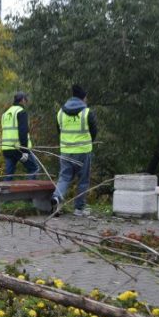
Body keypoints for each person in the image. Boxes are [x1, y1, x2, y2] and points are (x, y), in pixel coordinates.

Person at [51, 84, 98, 217]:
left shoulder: (60, 112)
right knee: (83, 180)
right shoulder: (87, 112)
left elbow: (59, 131)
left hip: (66, 151)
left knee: (64, 177)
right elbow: (94, 131)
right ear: (83, 98)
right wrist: (88, 141)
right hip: (83, 151)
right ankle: (79, 208)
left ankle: (56, 198)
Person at [0, 91, 38, 180]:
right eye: (25, 100)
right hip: (18, 148)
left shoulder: (5, 114)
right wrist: (24, 149)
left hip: (6, 148)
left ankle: (6, 194)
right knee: (34, 168)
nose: (26, 102)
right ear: (22, 100)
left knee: (9, 174)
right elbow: (23, 131)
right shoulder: (21, 112)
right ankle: (30, 192)